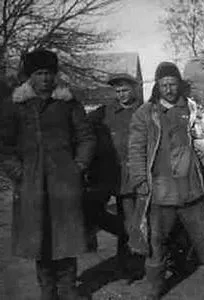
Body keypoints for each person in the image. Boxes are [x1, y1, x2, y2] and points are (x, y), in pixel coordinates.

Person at [127, 61, 204, 300]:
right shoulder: (146, 113)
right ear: (157, 86)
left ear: (178, 85)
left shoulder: (191, 109)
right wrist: (140, 178)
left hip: (191, 189)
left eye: (172, 84)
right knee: (155, 242)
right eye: (164, 85)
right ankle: (154, 288)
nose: (169, 89)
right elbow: (136, 148)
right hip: (160, 191)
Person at [0, 49, 96, 299]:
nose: (44, 78)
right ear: (30, 76)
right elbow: (5, 147)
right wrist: (20, 174)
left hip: (65, 183)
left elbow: (86, 137)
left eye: (48, 73)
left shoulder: (68, 103)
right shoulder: (15, 106)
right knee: (38, 239)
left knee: (67, 237)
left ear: (55, 75)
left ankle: (68, 288)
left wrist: (78, 166)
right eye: (39, 73)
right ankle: (47, 290)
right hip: (32, 184)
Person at [85, 73, 142, 274]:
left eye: (125, 90)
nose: (121, 94)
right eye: (117, 91)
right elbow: (84, 127)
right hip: (110, 173)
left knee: (132, 217)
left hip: (134, 175)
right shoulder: (106, 112)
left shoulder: (143, 111)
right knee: (95, 212)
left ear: (134, 89)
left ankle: (130, 262)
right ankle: (126, 257)